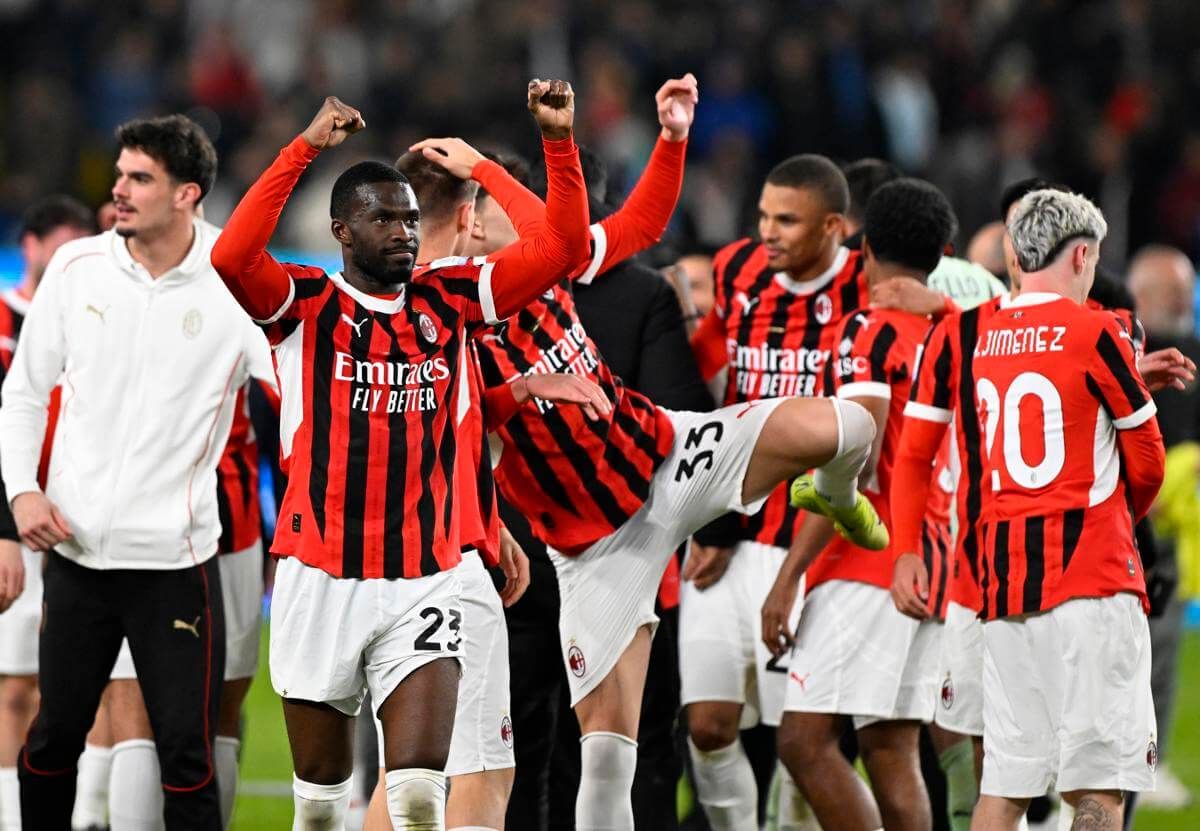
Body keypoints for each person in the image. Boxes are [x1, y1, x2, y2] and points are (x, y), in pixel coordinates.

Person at [413, 83, 886, 831]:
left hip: (667, 455)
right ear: (471, 220)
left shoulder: (540, 268)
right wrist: (520, 400)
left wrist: (671, 139)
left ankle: (835, 495)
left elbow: (635, 223)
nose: (530, 215)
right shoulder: (439, 319)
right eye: (507, 201)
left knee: (850, 426)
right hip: (596, 548)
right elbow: (457, 439)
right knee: (607, 753)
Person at [210, 82, 590, 830]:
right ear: (342, 231)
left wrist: (552, 143)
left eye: (412, 218)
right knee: (320, 803)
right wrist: (304, 149)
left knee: (420, 794)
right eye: (383, 218)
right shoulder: (303, 307)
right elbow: (230, 253)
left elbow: (565, 248)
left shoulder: (451, 298)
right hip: (320, 578)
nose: (404, 231)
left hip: (423, 579)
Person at [0, 114, 262, 830]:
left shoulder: (235, 280)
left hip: (175, 563)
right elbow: (22, 393)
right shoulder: (77, 268)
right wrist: (21, 492)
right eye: (120, 174)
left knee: (187, 753)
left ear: (188, 194)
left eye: (138, 178)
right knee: (53, 740)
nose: (117, 189)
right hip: (78, 558)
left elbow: (298, 393)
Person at [762, 179, 958, 831]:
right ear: (943, 252)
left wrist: (787, 577)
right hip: (936, 556)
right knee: (890, 746)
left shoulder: (866, 330)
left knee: (803, 740)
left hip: (870, 560)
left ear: (863, 247)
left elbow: (857, 454)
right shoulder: (956, 330)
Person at [967, 189, 1164, 830]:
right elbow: (1148, 459)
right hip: (1092, 582)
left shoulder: (985, 336)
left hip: (1005, 586)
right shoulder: (1095, 330)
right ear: (1082, 255)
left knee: (1004, 786)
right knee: (1098, 788)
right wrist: (1117, 521)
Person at [0, 195, 95, 831]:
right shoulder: (4, 319)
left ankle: (84, 817)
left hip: (75, 525)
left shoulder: (88, 321)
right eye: (56, 248)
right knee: (12, 686)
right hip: (15, 522)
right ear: (29, 246)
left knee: (66, 689)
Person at [1126, 245, 1200, 814]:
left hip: (1169, 528)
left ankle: (1150, 765)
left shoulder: (1196, 352)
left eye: (1186, 288)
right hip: (1116, 523)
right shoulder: (1120, 347)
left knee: (1164, 649)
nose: (1182, 298)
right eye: (1170, 290)